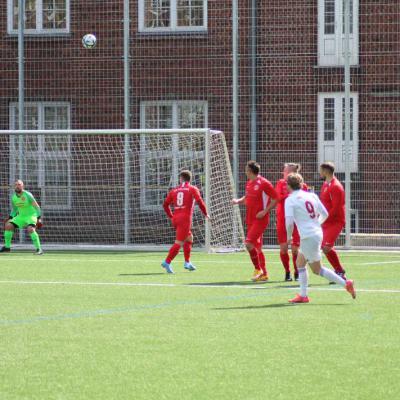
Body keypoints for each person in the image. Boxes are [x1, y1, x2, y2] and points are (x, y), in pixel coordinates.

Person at [284, 173, 355, 303]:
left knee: (318, 270)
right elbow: (325, 214)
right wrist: (316, 224)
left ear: (288, 186)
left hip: (308, 237)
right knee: (300, 263)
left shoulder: (290, 200)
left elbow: (289, 222)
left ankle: (346, 284)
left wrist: (288, 237)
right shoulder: (311, 195)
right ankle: (303, 295)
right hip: (316, 233)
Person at [233, 161, 278, 281]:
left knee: (248, 244)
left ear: (250, 171)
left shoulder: (264, 183)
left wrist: (265, 211)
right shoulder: (249, 183)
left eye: (246, 169)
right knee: (257, 248)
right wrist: (238, 201)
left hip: (260, 219)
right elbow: (247, 197)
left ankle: (258, 269)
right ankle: (264, 274)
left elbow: (276, 198)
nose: (245, 172)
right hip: (250, 219)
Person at [161, 170, 210, 274]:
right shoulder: (192, 188)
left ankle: (187, 262)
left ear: (181, 179)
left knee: (189, 237)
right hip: (185, 219)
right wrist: (206, 213)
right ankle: (167, 261)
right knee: (179, 242)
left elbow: (165, 205)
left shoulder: (174, 190)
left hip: (176, 218)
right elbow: (200, 201)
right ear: (190, 179)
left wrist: (171, 216)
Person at [275, 163, 309, 281]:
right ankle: (287, 272)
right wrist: (288, 195)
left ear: (291, 173)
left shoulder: (303, 186)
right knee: (283, 248)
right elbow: (277, 197)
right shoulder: (280, 183)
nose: (283, 173)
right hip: (282, 219)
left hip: (296, 221)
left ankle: (297, 272)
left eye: (285, 171)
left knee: (295, 249)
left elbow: (304, 200)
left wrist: (287, 195)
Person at [319, 162, 347, 280]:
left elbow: (336, 208)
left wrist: (323, 219)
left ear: (326, 171)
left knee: (326, 248)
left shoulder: (336, 186)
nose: (319, 172)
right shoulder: (325, 184)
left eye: (321, 170)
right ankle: (339, 271)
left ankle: (340, 271)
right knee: (324, 247)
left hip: (335, 222)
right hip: (326, 221)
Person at [1, 180, 43, 255]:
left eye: (19, 184)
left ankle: (39, 249)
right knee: (8, 225)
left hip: (31, 215)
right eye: (16, 185)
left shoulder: (27, 194)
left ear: (22, 186)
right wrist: (10, 217)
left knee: (30, 229)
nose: (17, 186)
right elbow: (14, 209)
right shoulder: (13, 197)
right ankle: (7, 247)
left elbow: (37, 207)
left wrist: (39, 218)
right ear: (14, 186)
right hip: (21, 216)